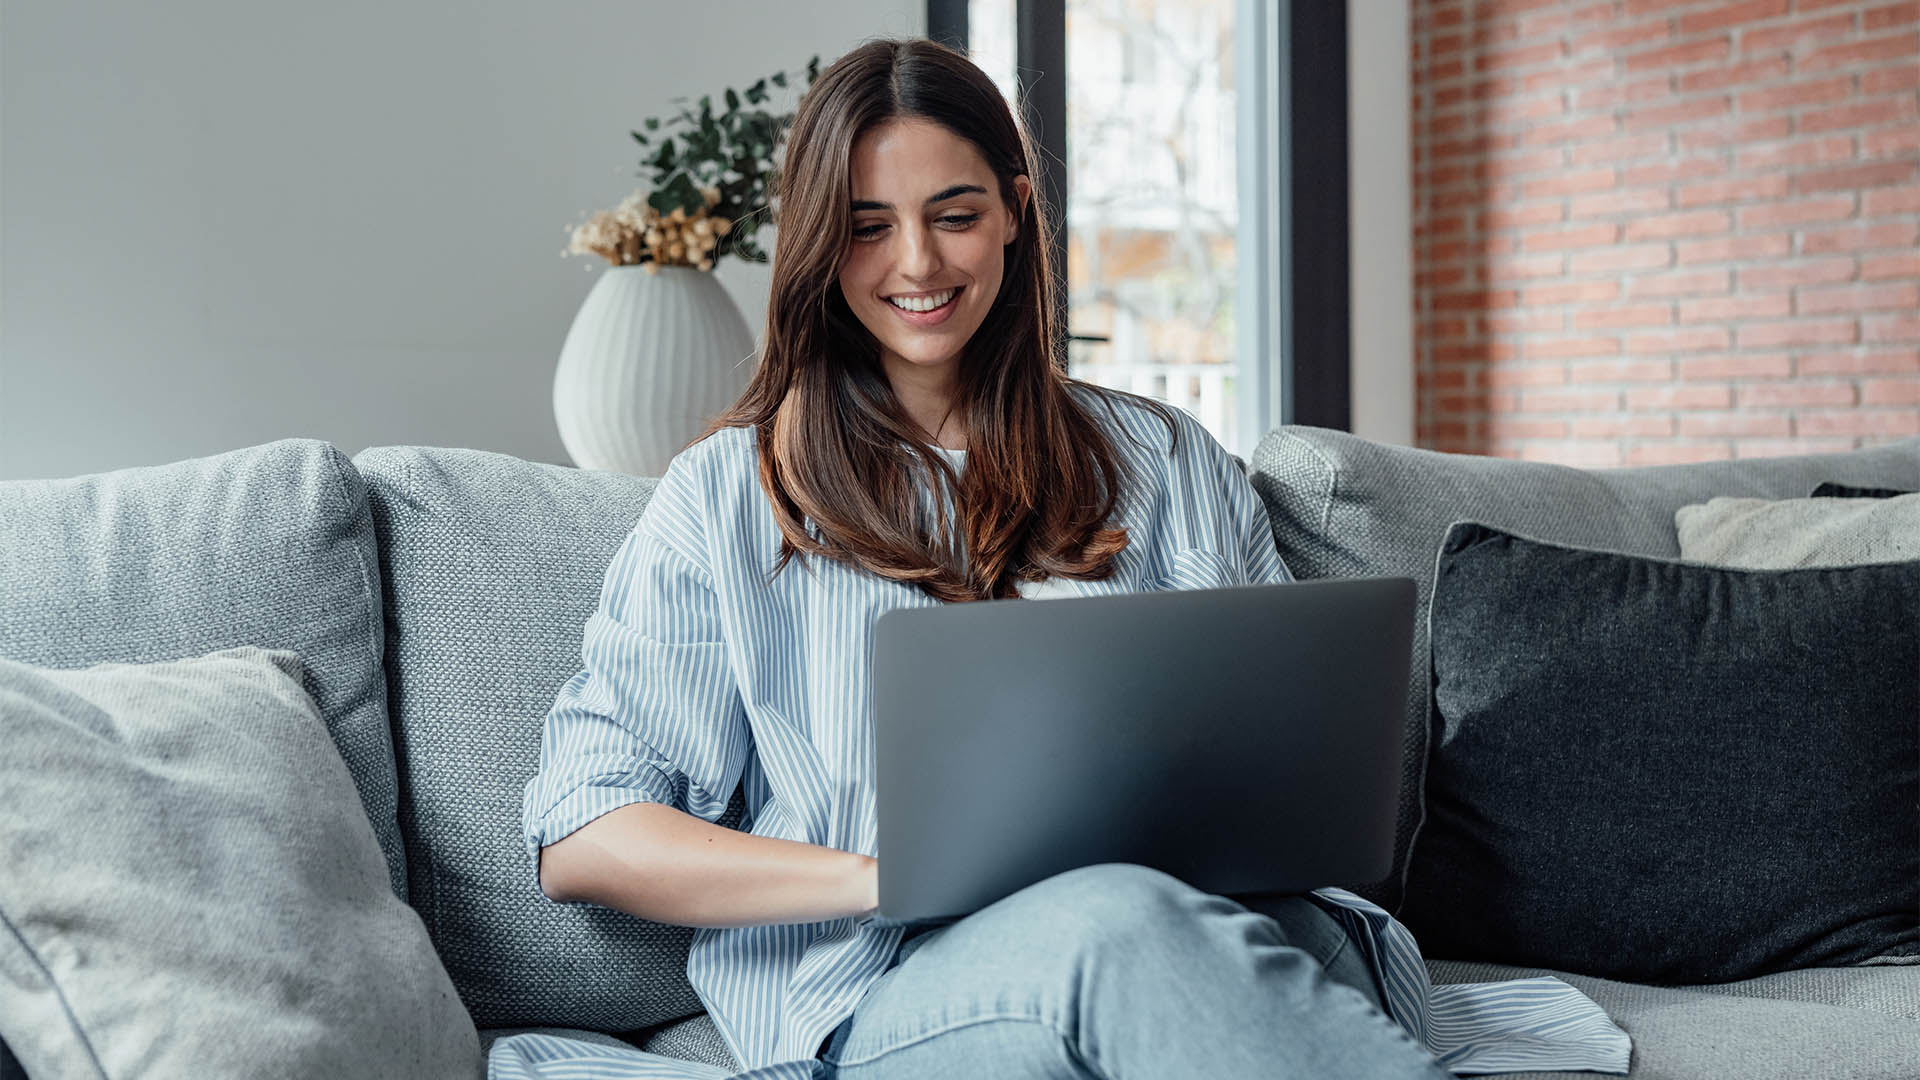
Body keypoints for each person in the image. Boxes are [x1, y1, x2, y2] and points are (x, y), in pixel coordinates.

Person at [491, 37, 1629, 1080]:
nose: (918, 262)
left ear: (1015, 215)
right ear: (817, 240)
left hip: (1225, 932)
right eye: (869, 223)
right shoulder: (731, 496)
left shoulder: (1165, 457)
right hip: (899, 987)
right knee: (1112, 927)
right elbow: (589, 833)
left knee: (1197, 928)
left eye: (955, 212)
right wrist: (887, 880)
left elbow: (1289, 762)